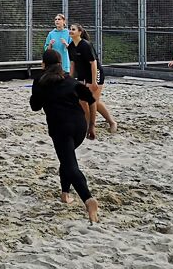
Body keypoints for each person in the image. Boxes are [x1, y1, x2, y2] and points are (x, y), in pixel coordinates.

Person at [30, 48, 100, 223]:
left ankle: (88, 199)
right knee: (66, 159)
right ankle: (65, 194)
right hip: (80, 127)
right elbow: (91, 100)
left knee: (70, 164)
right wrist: (91, 125)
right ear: (61, 64)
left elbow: (35, 106)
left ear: (43, 64)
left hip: (60, 127)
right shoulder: (69, 79)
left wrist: (37, 96)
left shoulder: (40, 81)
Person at [69, 23, 117, 133]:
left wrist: (94, 81)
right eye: (70, 29)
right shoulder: (71, 46)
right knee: (83, 101)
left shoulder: (86, 45)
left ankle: (100, 124)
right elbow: (72, 64)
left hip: (95, 73)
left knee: (92, 101)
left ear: (80, 32)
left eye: (73, 29)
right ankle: (89, 122)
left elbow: (93, 63)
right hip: (83, 74)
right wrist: (70, 80)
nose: (71, 31)